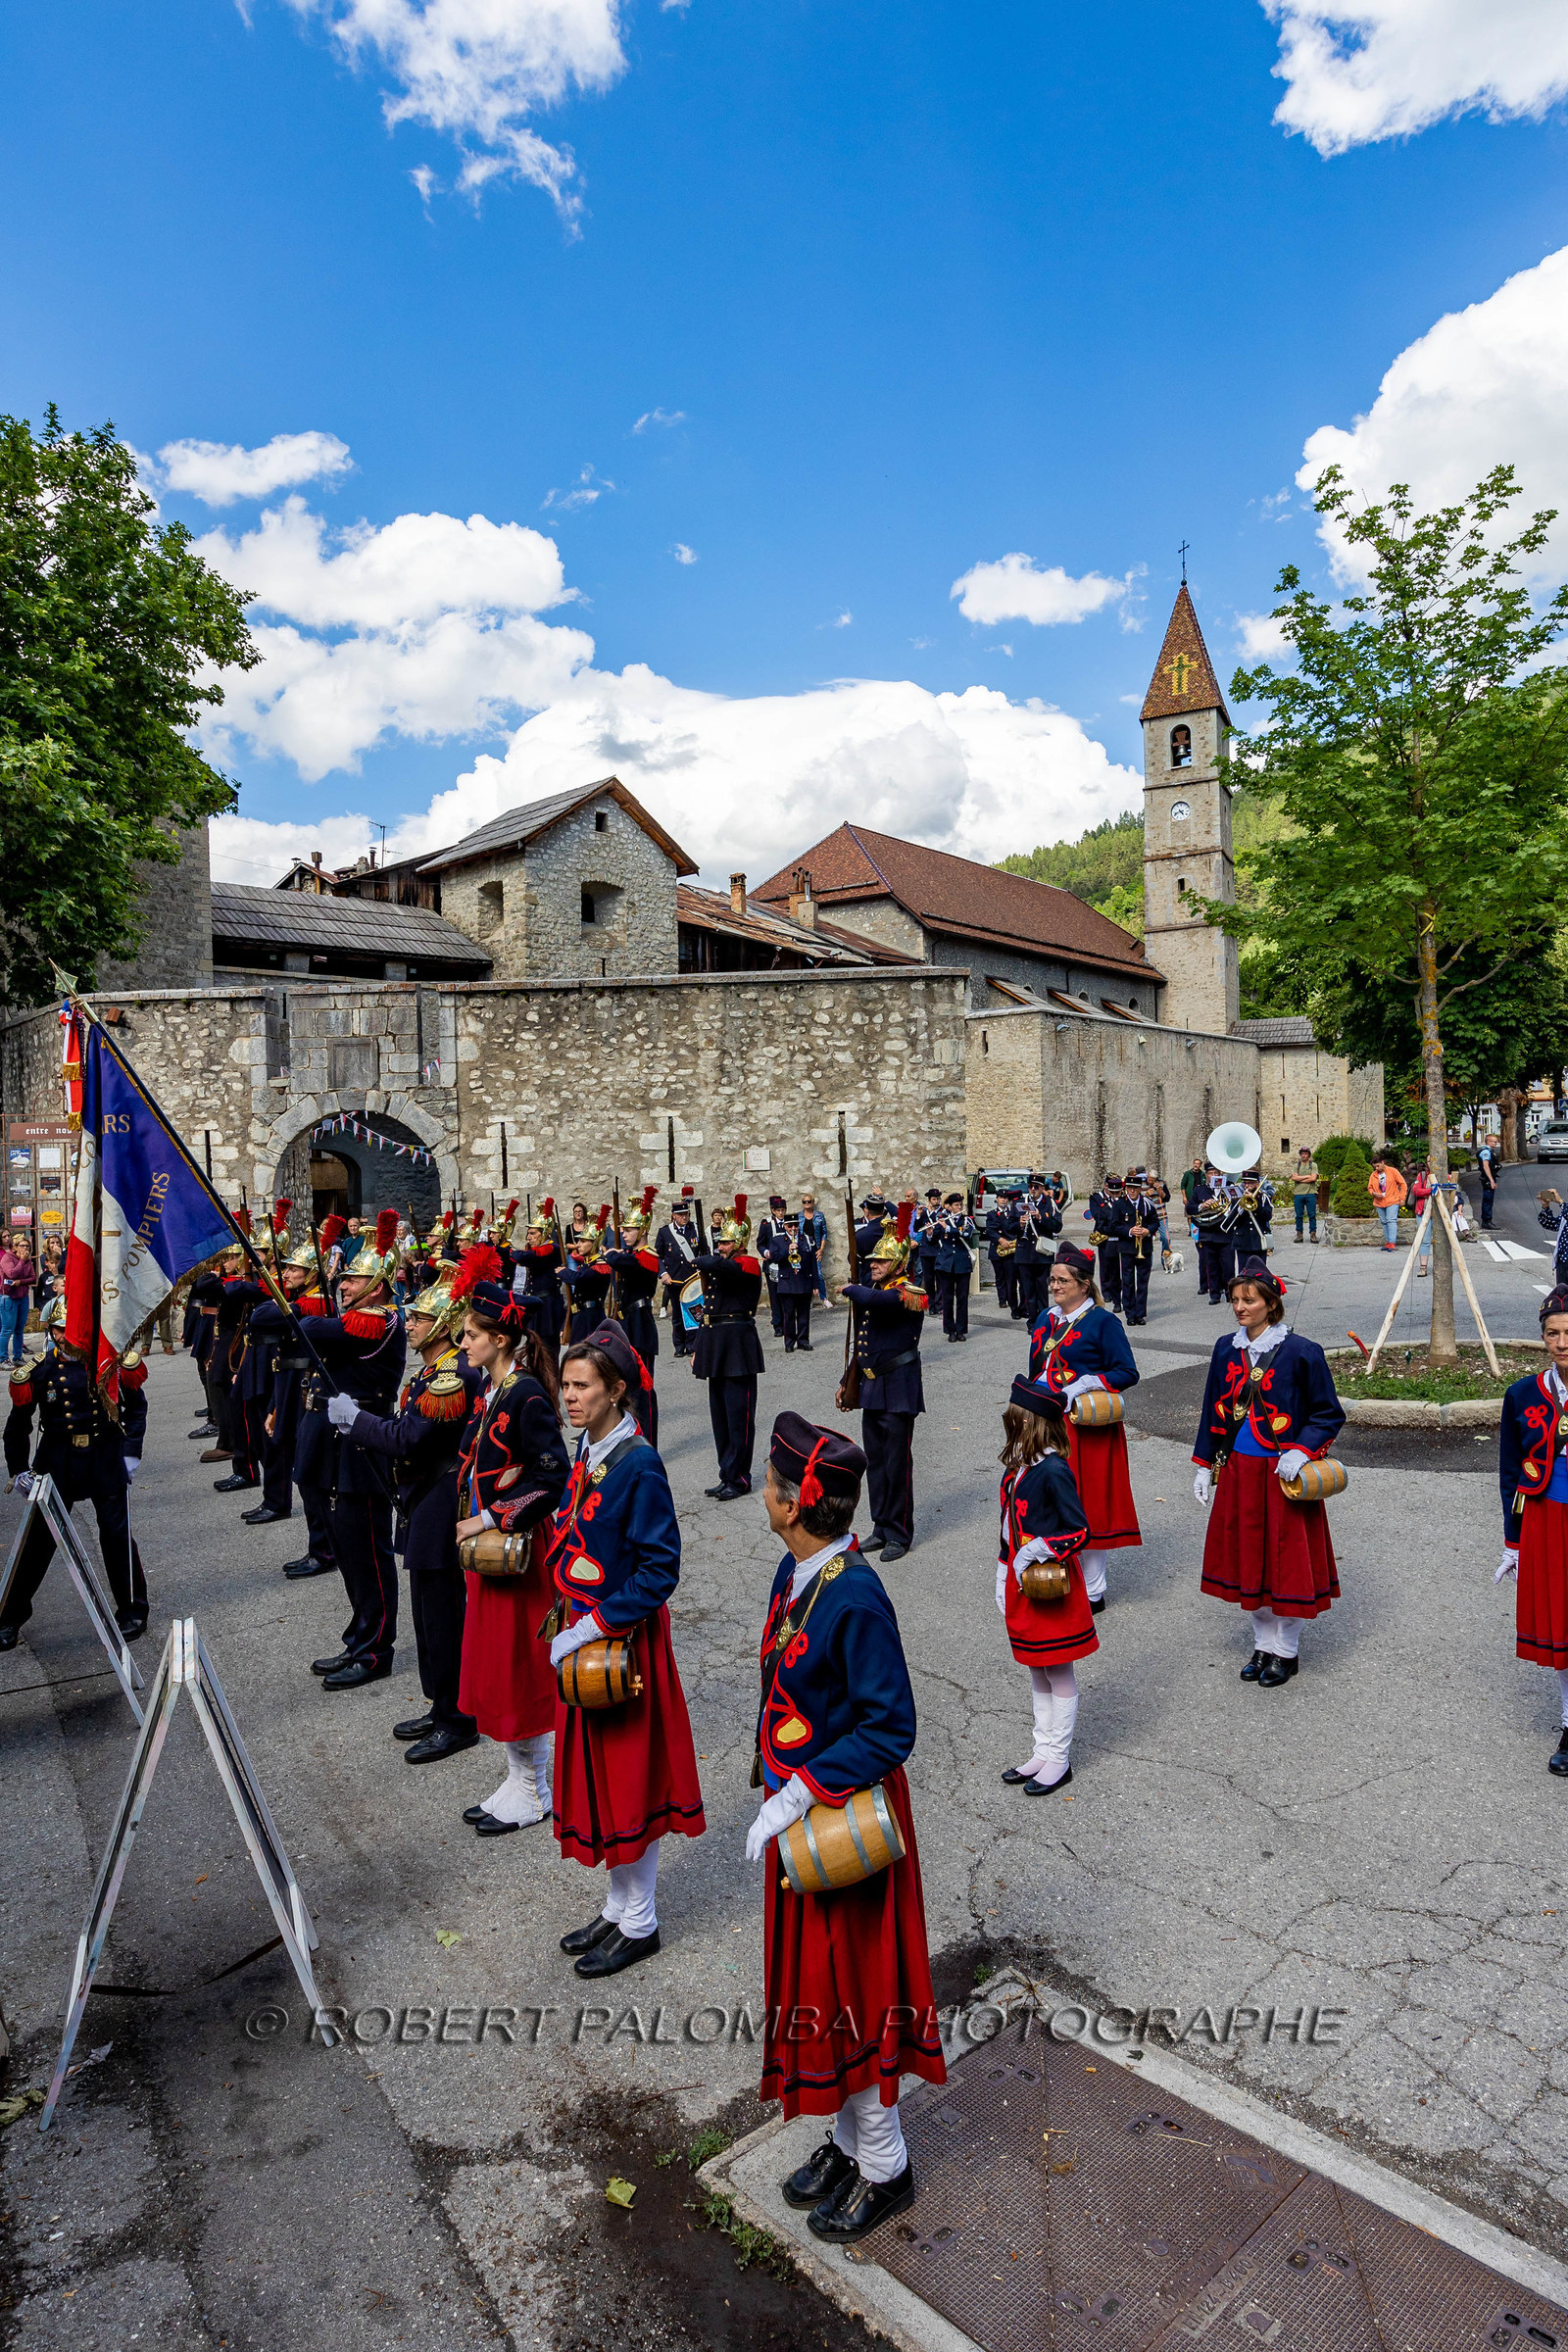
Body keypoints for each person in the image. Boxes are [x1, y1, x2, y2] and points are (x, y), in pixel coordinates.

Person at [750, 1411, 946, 2243]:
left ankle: (886, 2165)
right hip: (804, 1819)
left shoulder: (856, 1595)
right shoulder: (796, 1571)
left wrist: (800, 1790)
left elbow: (891, 1727)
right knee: (821, 1998)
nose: (763, 1491)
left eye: (771, 1483)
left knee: (854, 1998)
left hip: (844, 1825)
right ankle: (847, 2139)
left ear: (796, 1503)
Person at [548, 1324, 707, 1976]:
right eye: (565, 1385)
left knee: (628, 1781)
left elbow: (660, 1569)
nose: (569, 1396)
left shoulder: (639, 1463)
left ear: (616, 1390)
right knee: (603, 1782)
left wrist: (592, 1626)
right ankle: (618, 1905)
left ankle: (641, 1920)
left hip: (622, 1642)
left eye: (582, 1386)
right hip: (587, 1635)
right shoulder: (589, 1445)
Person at [438, 1250, 573, 1816]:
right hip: (489, 1553)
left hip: (519, 1551)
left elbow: (553, 1475)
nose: (463, 1343)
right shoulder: (493, 1390)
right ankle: (518, 1776)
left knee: (520, 1668)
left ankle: (534, 1787)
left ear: (500, 1339)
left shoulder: (526, 1394)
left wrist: (492, 1517)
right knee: (498, 1665)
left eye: (471, 1335)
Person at [1191, 1258, 1344, 1685]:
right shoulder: (1226, 1348)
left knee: (1285, 1562)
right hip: (1239, 1470)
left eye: (1249, 1300)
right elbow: (1212, 1411)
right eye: (1235, 1300)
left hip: (1283, 1475)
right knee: (1249, 1560)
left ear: (1271, 1304)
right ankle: (1262, 1645)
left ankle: (1286, 1651)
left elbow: (1328, 1414)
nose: (1240, 1307)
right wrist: (1204, 1464)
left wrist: (1302, 1451)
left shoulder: (1302, 1351)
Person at [2, 1298, 149, 1645]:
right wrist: (19, 1470)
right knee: (38, 1541)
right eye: (58, 1330)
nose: (64, 1337)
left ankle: (132, 1610)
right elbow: (17, 1426)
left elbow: (136, 1409)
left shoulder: (110, 1362)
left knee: (117, 1536)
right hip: (58, 1461)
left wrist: (130, 1454)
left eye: (71, 1330)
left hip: (105, 1456)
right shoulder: (39, 1370)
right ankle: (9, 1617)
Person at [314, 1211, 409, 1690]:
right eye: (344, 1277)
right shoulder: (353, 1316)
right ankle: (359, 1637)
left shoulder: (379, 1319)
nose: (343, 1284)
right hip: (343, 1442)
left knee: (370, 1553)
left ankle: (376, 1651)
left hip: (367, 1443)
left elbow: (310, 1330)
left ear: (377, 1287)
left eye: (353, 1279)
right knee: (350, 1551)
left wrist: (298, 1309)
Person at [996, 1374, 1094, 1794]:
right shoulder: (1019, 1466)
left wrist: (1035, 1549)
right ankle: (1042, 1750)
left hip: (1050, 1586)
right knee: (1037, 1667)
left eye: (1014, 1417)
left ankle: (1059, 1758)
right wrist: (1003, 1567)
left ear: (1028, 1421)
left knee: (1058, 1669)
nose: (1008, 1422)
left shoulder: (1053, 1469)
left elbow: (1079, 1531)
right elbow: (1007, 1526)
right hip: (1021, 1584)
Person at [1027, 1243, 1139, 1609]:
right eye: (1052, 1279)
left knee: (1085, 1503)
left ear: (1083, 1284)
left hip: (1083, 1426)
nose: (1054, 1286)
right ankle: (1057, 1578)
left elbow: (1127, 1372)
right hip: (1045, 1421)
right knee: (1049, 1501)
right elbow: (1036, 1368)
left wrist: (1087, 1383)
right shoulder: (1046, 1319)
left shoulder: (1103, 1322)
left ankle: (1093, 1592)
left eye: (1062, 1280)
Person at [1496, 1287, 1568, 1777]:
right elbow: (1510, 1474)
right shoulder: (1523, 1394)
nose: (1562, 1343)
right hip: (1548, 1519)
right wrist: (1514, 1540)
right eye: (1552, 1333)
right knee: (1563, 1624)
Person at [840, 1206, 926, 1563]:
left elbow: (881, 1301)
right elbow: (863, 1345)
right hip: (873, 1387)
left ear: (898, 1263)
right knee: (874, 1463)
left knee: (896, 1464)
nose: (873, 1265)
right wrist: (848, 1381)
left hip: (899, 1387)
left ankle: (899, 1533)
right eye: (872, 1260)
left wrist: (852, 1288)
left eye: (880, 1261)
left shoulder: (908, 1292)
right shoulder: (872, 1288)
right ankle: (880, 1526)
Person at [691, 1198, 765, 1498]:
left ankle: (740, 1478)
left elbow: (719, 1264)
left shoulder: (747, 1264)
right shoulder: (723, 1266)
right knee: (720, 1418)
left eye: (726, 1242)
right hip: (716, 1344)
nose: (720, 1247)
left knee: (738, 1417)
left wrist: (705, 1258)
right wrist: (698, 1348)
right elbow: (708, 1312)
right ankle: (727, 1473)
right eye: (719, 1242)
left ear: (740, 1244)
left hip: (737, 1346)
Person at [602, 1189, 662, 1442]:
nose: (624, 1234)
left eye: (629, 1230)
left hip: (640, 1325)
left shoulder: (647, 1256)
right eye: (623, 1230)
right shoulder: (630, 1255)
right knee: (627, 1387)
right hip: (627, 1323)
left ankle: (647, 1442)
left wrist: (611, 1254)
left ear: (643, 1230)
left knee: (642, 1390)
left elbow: (623, 1262)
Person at [510, 1201, 567, 1365]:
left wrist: (511, 1251)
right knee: (533, 1351)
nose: (528, 1237)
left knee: (547, 1353)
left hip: (547, 1307)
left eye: (533, 1233)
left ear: (544, 1233)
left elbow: (524, 1257)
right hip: (537, 1305)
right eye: (528, 1233)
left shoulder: (551, 1249)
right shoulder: (537, 1249)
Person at [655, 1190, 701, 1358]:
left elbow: (703, 1251)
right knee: (677, 1314)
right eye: (680, 1215)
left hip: (693, 1279)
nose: (684, 1217)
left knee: (694, 1312)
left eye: (686, 1214)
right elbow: (658, 1256)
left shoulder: (695, 1229)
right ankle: (679, 1345)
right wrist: (663, 1273)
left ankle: (692, 1345)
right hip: (674, 1279)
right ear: (674, 1215)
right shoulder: (665, 1232)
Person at [768, 1211, 818, 1353]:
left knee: (804, 1314)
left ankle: (803, 1341)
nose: (793, 1229)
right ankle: (789, 1342)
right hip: (787, 1283)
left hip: (803, 1281)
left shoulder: (806, 1239)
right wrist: (787, 1250)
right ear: (785, 1226)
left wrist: (815, 1284)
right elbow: (774, 1258)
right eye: (790, 1226)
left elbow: (813, 1263)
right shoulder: (777, 1240)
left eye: (795, 1226)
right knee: (788, 1315)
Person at [1190, 1165, 1238, 1303]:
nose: (1214, 1175)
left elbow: (1237, 1206)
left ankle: (1230, 1294)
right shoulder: (1200, 1190)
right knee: (1211, 1266)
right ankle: (1214, 1294)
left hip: (1225, 1233)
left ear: (1220, 1174)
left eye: (1216, 1172)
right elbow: (1189, 1208)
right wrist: (1202, 1205)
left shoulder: (1229, 1188)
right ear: (1206, 1175)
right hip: (1208, 1234)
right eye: (1210, 1173)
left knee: (1228, 1267)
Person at [1085, 1173, 1131, 1315]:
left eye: (1118, 1193)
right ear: (1108, 1190)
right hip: (1110, 1242)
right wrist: (1115, 1228)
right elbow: (1101, 1224)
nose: (1116, 1196)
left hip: (1125, 1241)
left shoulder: (1125, 1204)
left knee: (1127, 1273)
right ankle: (1115, 1300)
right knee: (1112, 1272)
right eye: (1113, 1193)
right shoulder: (1103, 1206)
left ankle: (1128, 1300)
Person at [1122, 1175, 1162, 1327]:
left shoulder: (1147, 1203)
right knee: (1128, 1282)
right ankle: (1130, 1314)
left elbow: (1155, 1222)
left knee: (1142, 1282)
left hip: (1144, 1248)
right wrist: (1129, 1230)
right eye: (1129, 1188)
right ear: (1126, 1189)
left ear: (1140, 1189)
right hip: (1127, 1248)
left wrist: (1148, 1231)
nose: (1132, 1191)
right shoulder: (1120, 1204)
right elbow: (1114, 1226)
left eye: (1135, 1188)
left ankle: (1140, 1313)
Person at [935, 1193, 975, 1341]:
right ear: (950, 1207)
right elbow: (932, 1239)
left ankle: (961, 1330)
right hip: (946, 1263)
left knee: (962, 1297)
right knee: (947, 1298)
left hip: (962, 1263)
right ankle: (950, 1330)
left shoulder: (967, 1220)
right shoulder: (942, 1220)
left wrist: (948, 1229)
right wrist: (929, 1232)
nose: (959, 1207)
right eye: (956, 1205)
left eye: (960, 1205)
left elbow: (966, 1234)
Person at [757, 1196, 791, 1338]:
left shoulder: (789, 1222)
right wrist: (766, 1252)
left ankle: (788, 1323)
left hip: (787, 1263)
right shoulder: (766, 1224)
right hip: (772, 1264)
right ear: (773, 1211)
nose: (781, 1213)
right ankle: (777, 1324)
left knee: (787, 1294)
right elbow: (760, 1243)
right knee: (774, 1296)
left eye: (783, 1210)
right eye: (778, 1210)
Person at [0, 1237, 35, 1367]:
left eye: (27, 1246)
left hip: (23, 1297)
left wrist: (21, 1282)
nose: (25, 1248)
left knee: (19, 1330)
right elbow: (11, 1274)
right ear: (15, 1247)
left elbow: (33, 1278)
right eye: (22, 1246)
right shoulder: (7, 1258)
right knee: (7, 1330)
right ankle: (3, 1359)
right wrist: (21, 1261)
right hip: (9, 1297)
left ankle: (18, 1357)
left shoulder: (28, 1261)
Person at [1367, 1152, 1407, 1250]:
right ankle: (1388, 1242)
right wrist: (1373, 1193)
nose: (1376, 1168)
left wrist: (1402, 1198)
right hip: (1379, 1202)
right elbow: (1370, 1187)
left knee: (1391, 1220)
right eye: (1374, 1167)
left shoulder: (1393, 1171)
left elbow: (1403, 1184)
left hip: (1392, 1200)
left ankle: (1392, 1243)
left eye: (1378, 1166)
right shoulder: (1373, 1175)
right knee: (1384, 1222)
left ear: (1383, 1162)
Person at [800, 1192, 829, 1304]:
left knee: (818, 1273)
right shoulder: (799, 1216)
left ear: (813, 1202)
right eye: (804, 1202)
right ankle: (806, 1299)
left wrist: (821, 1249)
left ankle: (824, 1298)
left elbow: (824, 1233)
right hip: (803, 1248)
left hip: (815, 1248)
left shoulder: (819, 1216)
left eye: (809, 1201)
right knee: (803, 1273)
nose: (807, 1203)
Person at [1292, 1148, 1321, 1245]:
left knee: (1312, 1215)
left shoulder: (1313, 1165)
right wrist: (1307, 1176)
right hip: (1298, 1193)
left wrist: (1299, 1179)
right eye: (1302, 1154)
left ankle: (1313, 1234)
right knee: (1298, 1215)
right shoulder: (1296, 1166)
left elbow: (1313, 1178)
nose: (1304, 1155)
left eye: (1305, 1154)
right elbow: (1294, 1177)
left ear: (1309, 1155)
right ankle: (1299, 1234)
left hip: (1310, 1193)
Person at [1410, 1161, 1435, 1276]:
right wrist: (1430, 1191)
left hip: (1440, 1213)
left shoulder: (1446, 1176)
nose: (1431, 1163)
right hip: (1423, 1211)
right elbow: (1416, 1190)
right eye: (1429, 1160)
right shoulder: (1422, 1175)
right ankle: (1423, 1267)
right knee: (1424, 1240)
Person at [1477, 1137, 1499, 1229]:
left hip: (1489, 1178)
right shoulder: (1486, 1152)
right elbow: (1486, 1166)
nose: (1496, 1143)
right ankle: (1486, 1221)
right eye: (1494, 1142)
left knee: (1489, 1200)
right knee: (1487, 1199)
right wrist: (1491, 1180)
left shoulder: (1490, 1151)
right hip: (1487, 1179)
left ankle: (1488, 1220)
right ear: (1489, 1142)